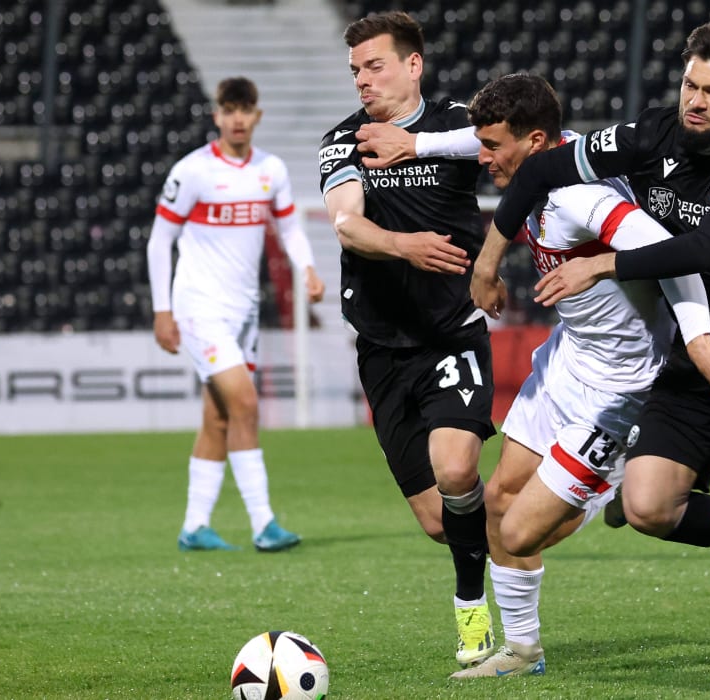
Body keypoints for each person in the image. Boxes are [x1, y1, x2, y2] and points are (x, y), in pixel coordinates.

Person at [401, 72, 710, 678]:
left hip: (619, 387)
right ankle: (522, 652)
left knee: (521, 532)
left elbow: (678, 264)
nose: (483, 157)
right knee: (497, 503)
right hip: (566, 360)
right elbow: (474, 141)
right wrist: (414, 144)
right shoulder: (546, 155)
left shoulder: (582, 197)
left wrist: (697, 341)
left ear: (535, 142)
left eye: (492, 147)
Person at [491, 22, 710, 681]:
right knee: (646, 507)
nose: (694, 101)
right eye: (689, 85)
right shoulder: (653, 133)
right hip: (691, 352)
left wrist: (603, 263)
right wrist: (488, 255)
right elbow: (544, 166)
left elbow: (703, 248)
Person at [318, 11, 498, 668]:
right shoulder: (343, 140)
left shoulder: (459, 125)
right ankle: (541, 510)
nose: (362, 80)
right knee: (437, 519)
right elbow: (346, 223)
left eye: (375, 65)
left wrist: (493, 259)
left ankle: (472, 610)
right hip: (382, 346)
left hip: (453, 333)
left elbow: (522, 156)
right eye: (355, 71)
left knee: (456, 470)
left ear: (413, 64)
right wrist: (404, 246)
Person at [147, 76, 325, 553]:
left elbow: (289, 228)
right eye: (229, 110)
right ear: (217, 116)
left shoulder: (270, 169)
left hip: (243, 312)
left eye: (245, 110)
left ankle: (194, 526)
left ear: (257, 115)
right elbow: (160, 240)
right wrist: (162, 311)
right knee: (245, 403)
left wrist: (307, 268)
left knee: (219, 417)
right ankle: (264, 523)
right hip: (199, 307)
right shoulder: (193, 171)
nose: (238, 119)